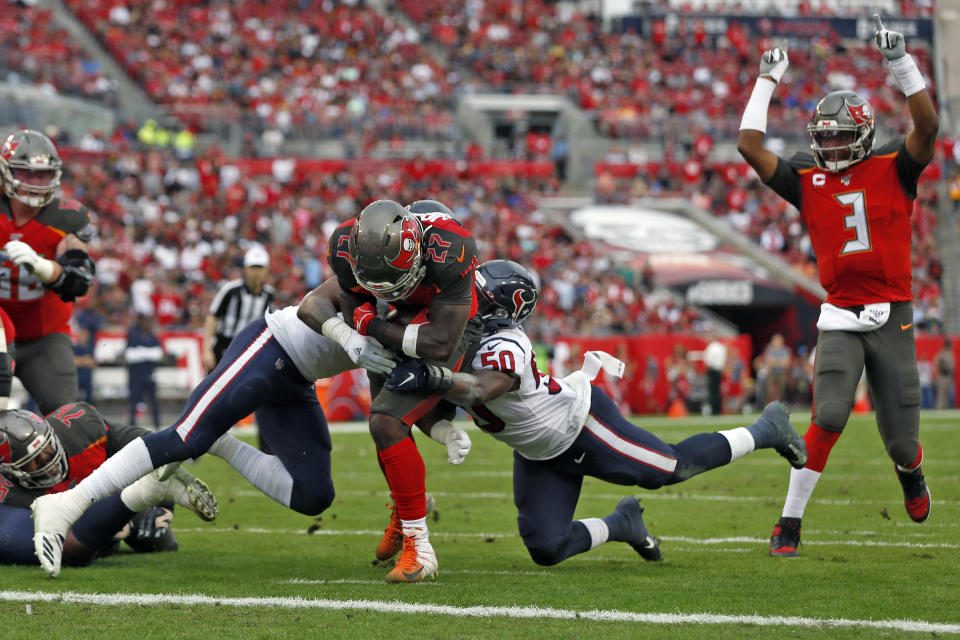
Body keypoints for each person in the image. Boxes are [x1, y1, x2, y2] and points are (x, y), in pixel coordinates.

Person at [382, 260, 808, 566]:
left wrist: (430, 378)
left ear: (496, 310)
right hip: (539, 453)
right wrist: (436, 423)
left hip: (581, 425)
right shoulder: (457, 340)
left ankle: (766, 428)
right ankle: (622, 524)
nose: (459, 306)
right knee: (546, 547)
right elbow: (431, 399)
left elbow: (480, 388)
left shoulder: (504, 344)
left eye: (473, 300)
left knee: (670, 468)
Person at [30, 278, 396, 578]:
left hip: (299, 381)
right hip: (271, 347)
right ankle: (64, 505)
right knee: (184, 438)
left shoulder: (426, 316)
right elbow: (313, 304)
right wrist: (348, 337)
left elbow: (390, 399)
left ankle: (221, 443)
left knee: (314, 495)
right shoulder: (374, 274)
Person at [736, 15, 939, 556]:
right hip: (840, 314)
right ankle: (789, 521)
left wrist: (902, 64)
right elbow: (749, 146)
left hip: (892, 313)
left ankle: (911, 472)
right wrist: (766, 80)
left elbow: (928, 127)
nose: (831, 147)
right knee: (827, 415)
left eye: (842, 137)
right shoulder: (808, 175)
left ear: (866, 134)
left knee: (902, 440)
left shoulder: (895, 164)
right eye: (824, 138)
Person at [304, 199, 482, 583]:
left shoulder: (452, 248)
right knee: (382, 420)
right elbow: (355, 309)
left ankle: (420, 549)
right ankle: (405, 515)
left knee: (387, 421)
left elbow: (439, 342)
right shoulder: (344, 245)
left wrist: (372, 329)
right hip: (402, 318)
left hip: (451, 321)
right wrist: (367, 326)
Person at [0, 404, 218, 572]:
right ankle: (142, 495)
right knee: (76, 548)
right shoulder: (9, 491)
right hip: (81, 518)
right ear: (11, 472)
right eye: (36, 462)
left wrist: (165, 508)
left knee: (158, 539)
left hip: (106, 499)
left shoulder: (80, 427)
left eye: (48, 450)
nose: (49, 461)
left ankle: (154, 494)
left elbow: (148, 444)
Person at [0, 129, 97, 414]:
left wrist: (41, 266)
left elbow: (79, 282)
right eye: (27, 174)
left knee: (67, 419)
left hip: (45, 337)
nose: (37, 183)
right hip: (1, 329)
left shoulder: (66, 216)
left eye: (43, 175)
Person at [203, 245, 275, 372]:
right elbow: (212, 317)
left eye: (260, 268)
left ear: (266, 270)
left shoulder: (269, 295)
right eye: (253, 268)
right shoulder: (231, 290)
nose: (256, 272)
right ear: (245, 269)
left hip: (250, 350)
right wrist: (207, 350)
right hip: (224, 347)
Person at [125, 313, 164, 429]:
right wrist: (148, 353)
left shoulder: (154, 338)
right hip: (136, 376)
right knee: (133, 402)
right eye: (145, 322)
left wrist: (141, 352)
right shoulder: (133, 336)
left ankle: (157, 426)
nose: (148, 325)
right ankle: (131, 426)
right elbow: (129, 355)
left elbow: (158, 355)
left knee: (153, 402)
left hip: (150, 375)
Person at [934, 339, 954, 409]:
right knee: (941, 394)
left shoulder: (950, 353)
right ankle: (939, 408)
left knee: (947, 394)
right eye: (949, 346)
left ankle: (945, 408)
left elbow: (952, 366)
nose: (950, 347)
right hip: (942, 376)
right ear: (945, 346)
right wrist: (939, 373)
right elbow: (936, 364)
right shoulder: (941, 354)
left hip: (948, 376)